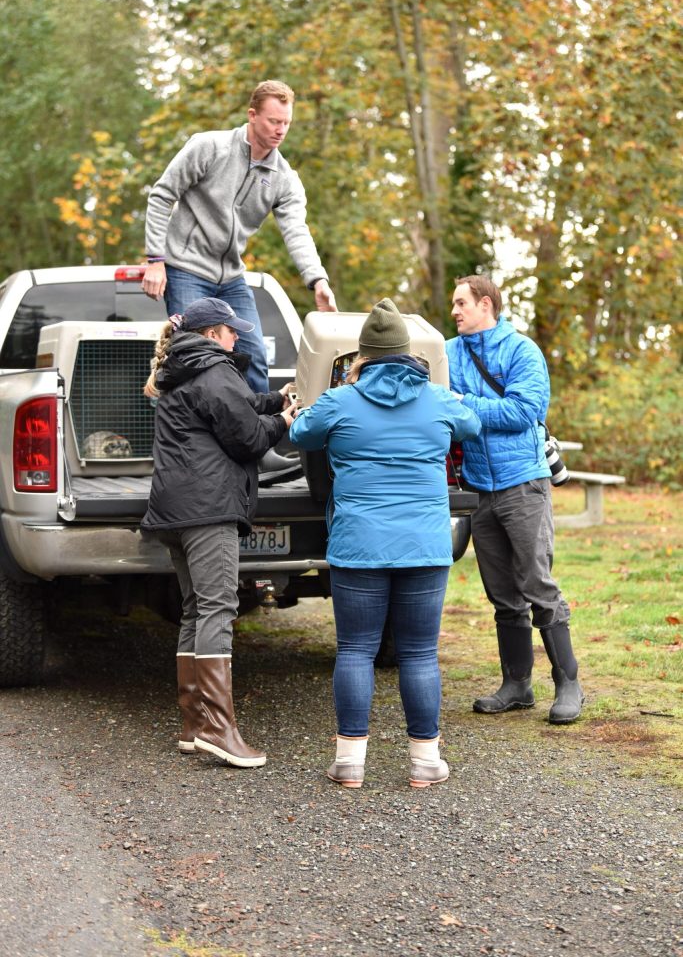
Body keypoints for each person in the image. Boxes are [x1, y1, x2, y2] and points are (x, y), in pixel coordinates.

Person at [290, 299, 481, 788]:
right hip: (424, 545)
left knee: (355, 649)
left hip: (359, 545)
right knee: (419, 653)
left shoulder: (340, 400)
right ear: (407, 352)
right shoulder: (438, 399)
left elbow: (300, 434)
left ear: (363, 356)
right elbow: (472, 426)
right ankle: (424, 763)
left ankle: (350, 762)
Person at [141, 297, 298, 767]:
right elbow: (248, 436)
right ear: (212, 334)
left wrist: (277, 399)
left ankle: (194, 723)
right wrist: (285, 421)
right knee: (218, 608)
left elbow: (235, 410)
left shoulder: (183, 368)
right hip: (208, 509)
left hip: (176, 509)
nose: (238, 338)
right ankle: (217, 729)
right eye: (231, 331)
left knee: (195, 609)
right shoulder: (215, 369)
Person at [445, 275, 584, 724]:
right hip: (479, 490)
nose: (455, 312)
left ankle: (568, 684)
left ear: (486, 305)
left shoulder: (522, 351)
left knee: (536, 584)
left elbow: (525, 413)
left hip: (523, 482)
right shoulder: (447, 353)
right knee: (502, 593)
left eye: (462, 303)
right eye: (453, 305)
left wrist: (462, 403)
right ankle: (517, 685)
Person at [142, 79, 336, 395]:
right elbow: (163, 193)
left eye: (286, 123)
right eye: (274, 121)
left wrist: (318, 280)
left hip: (231, 277)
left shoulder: (283, 178)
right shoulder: (209, 147)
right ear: (252, 115)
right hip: (187, 270)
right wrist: (155, 259)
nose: (281, 130)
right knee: (196, 356)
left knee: (253, 356)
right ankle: (196, 440)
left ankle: (254, 439)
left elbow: (296, 230)